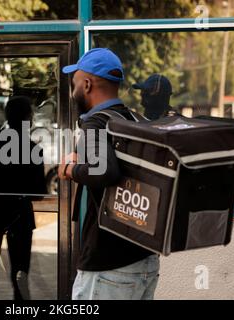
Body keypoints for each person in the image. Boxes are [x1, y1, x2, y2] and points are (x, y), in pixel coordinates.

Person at [59, 48, 159, 300]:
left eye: (75, 84)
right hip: (144, 261)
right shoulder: (135, 120)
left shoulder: (96, 122)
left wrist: (71, 169)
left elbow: (105, 171)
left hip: (108, 267)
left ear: (88, 84)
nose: (74, 91)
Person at [0, 96, 47, 300]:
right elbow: (40, 193)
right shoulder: (34, 149)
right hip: (20, 215)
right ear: (29, 119)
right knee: (20, 274)